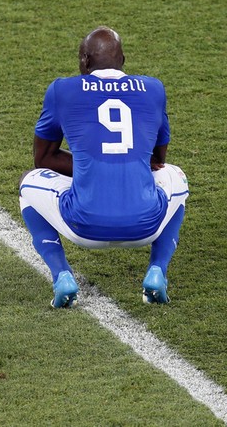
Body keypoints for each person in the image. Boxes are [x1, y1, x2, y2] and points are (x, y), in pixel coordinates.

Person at [19, 26, 189, 307]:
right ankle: (157, 271)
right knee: (176, 175)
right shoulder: (153, 89)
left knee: (29, 180)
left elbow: (44, 158)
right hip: (146, 226)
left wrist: (93, 168)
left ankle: (62, 275)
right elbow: (158, 159)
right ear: (122, 60)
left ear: (84, 60)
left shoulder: (62, 90)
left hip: (83, 226)